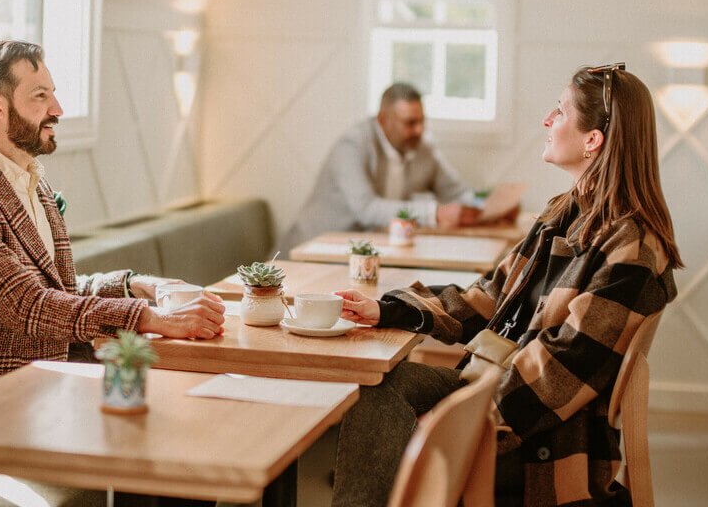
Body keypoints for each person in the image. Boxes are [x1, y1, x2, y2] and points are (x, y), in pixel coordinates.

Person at [330, 64, 682, 507]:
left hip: (539, 438)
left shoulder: (630, 248)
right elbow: (490, 295)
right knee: (377, 386)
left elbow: (562, 370)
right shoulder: (565, 212)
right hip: (493, 387)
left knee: (389, 414)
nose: (547, 120)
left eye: (560, 111)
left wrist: (463, 426)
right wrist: (389, 309)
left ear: (593, 140)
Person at [0, 40, 225, 401]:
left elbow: (56, 291)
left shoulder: (31, 180)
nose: (57, 109)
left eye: (53, 94)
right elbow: (29, 306)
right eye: (40, 96)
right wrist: (155, 318)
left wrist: (140, 286)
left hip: (53, 386)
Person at [279, 82, 479, 253]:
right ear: (383, 120)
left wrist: (485, 207)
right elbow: (367, 209)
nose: (419, 130)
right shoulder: (353, 145)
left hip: (372, 252)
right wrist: (434, 213)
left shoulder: (422, 147)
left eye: (421, 121)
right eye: (410, 123)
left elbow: (456, 192)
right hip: (313, 250)